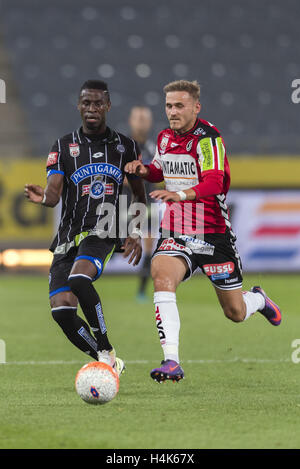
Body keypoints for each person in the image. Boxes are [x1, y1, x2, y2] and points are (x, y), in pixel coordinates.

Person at [125, 79, 282, 383]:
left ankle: (259, 300)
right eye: (169, 106)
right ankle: (171, 360)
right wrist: (144, 170)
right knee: (162, 274)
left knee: (235, 312)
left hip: (213, 234)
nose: (173, 111)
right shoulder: (164, 138)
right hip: (177, 230)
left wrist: (180, 195)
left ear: (196, 107)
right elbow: (159, 170)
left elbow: (214, 181)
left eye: (179, 105)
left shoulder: (208, 139)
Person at [24, 80, 146, 376]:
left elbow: (140, 195)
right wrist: (43, 199)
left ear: (108, 106)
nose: (91, 108)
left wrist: (135, 231)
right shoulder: (63, 146)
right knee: (62, 310)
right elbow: (53, 196)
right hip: (68, 236)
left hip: (103, 230)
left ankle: (105, 350)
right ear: (78, 107)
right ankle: (109, 362)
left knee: (80, 279)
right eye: (86, 103)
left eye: (97, 103)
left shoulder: (126, 147)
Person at [128, 106, 157, 302]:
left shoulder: (153, 148)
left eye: (145, 118)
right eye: (138, 118)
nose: (141, 122)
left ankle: (141, 291)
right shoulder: (123, 146)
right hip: (123, 204)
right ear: (131, 121)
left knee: (148, 246)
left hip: (148, 205)